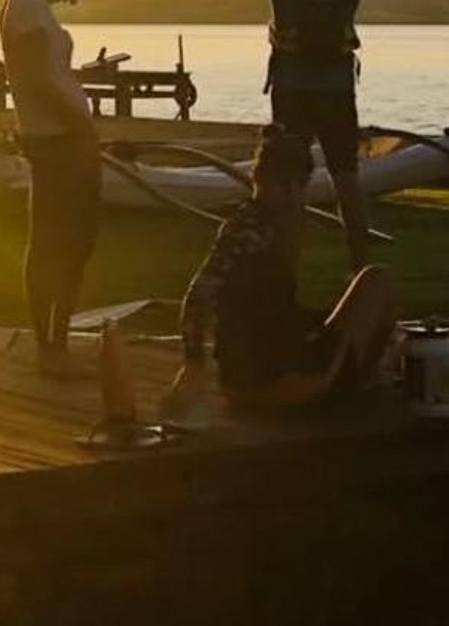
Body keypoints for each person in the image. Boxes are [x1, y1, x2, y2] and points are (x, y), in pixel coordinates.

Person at [165, 135, 397, 420]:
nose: (290, 194)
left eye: (298, 185)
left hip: (251, 381)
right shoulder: (248, 230)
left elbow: (272, 311)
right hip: (282, 383)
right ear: (258, 180)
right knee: (377, 279)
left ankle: (358, 379)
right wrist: (193, 364)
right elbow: (199, 294)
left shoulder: (271, 225)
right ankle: (360, 382)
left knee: (348, 308)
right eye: (281, 184)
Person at [0, 0, 114, 375]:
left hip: (61, 134)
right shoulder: (27, 6)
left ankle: (57, 339)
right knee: (59, 239)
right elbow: (38, 81)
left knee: (72, 239)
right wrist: (80, 130)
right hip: (58, 139)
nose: (77, 0)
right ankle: (51, 345)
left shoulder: (29, 3)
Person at [267, 0, 370, 268]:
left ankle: (282, 265)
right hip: (335, 86)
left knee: (286, 182)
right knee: (347, 178)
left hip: (292, 85)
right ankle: (361, 266)